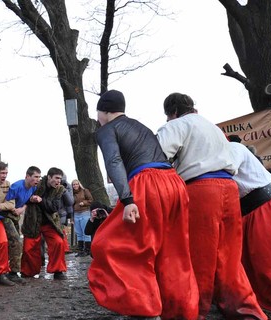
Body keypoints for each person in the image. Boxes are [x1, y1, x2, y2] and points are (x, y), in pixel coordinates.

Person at [88, 90, 198, 319]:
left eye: (98, 112)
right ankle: (180, 312)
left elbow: (114, 161)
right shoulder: (141, 126)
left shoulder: (107, 129)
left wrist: (127, 200)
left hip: (147, 184)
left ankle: (144, 310)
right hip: (174, 183)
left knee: (116, 245)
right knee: (173, 251)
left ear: (104, 111)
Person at [156, 92, 266, 319]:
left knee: (198, 255)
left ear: (173, 112)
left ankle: (193, 311)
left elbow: (158, 157)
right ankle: (245, 311)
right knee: (230, 256)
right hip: (229, 188)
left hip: (201, 189)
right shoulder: (214, 128)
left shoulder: (176, 125)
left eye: (168, 116)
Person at [229, 140, 271, 312]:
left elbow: (228, 169)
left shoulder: (233, 148)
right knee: (259, 266)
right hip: (251, 213)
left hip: (265, 209)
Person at [21, 167, 71, 280]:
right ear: (49, 177)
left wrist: (41, 200)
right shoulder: (36, 184)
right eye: (56, 178)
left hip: (50, 222)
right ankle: (28, 271)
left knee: (58, 242)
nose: (58, 181)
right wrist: (31, 199)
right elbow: (24, 198)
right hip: (33, 221)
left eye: (60, 178)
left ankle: (58, 270)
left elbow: (54, 207)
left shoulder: (59, 189)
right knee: (29, 247)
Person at [4, 166, 42, 282]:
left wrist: (22, 209)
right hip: (5, 215)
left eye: (39, 177)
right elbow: (5, 201)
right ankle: (13, 273)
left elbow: (28, 201)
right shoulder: (17, 186)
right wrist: (14, 209)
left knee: (11, 243)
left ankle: (6, 269)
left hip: (16, 215)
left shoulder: (33, 188)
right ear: (27, 176)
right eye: (35, 177)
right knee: (16, 241)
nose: (37, 179)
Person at [71, 179, 93, 257]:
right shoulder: (71, 194)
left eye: (76, 184)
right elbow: (70, 206)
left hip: (85, 213)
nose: (75, 186)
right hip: (76, 214)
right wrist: (72, 218)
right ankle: (80, 250)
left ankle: (87, 250)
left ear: (79, 184)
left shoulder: (84, 191)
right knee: (79, 233)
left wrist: (84, 203)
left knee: (85, 232)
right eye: (73, 184)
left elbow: (90, 200)